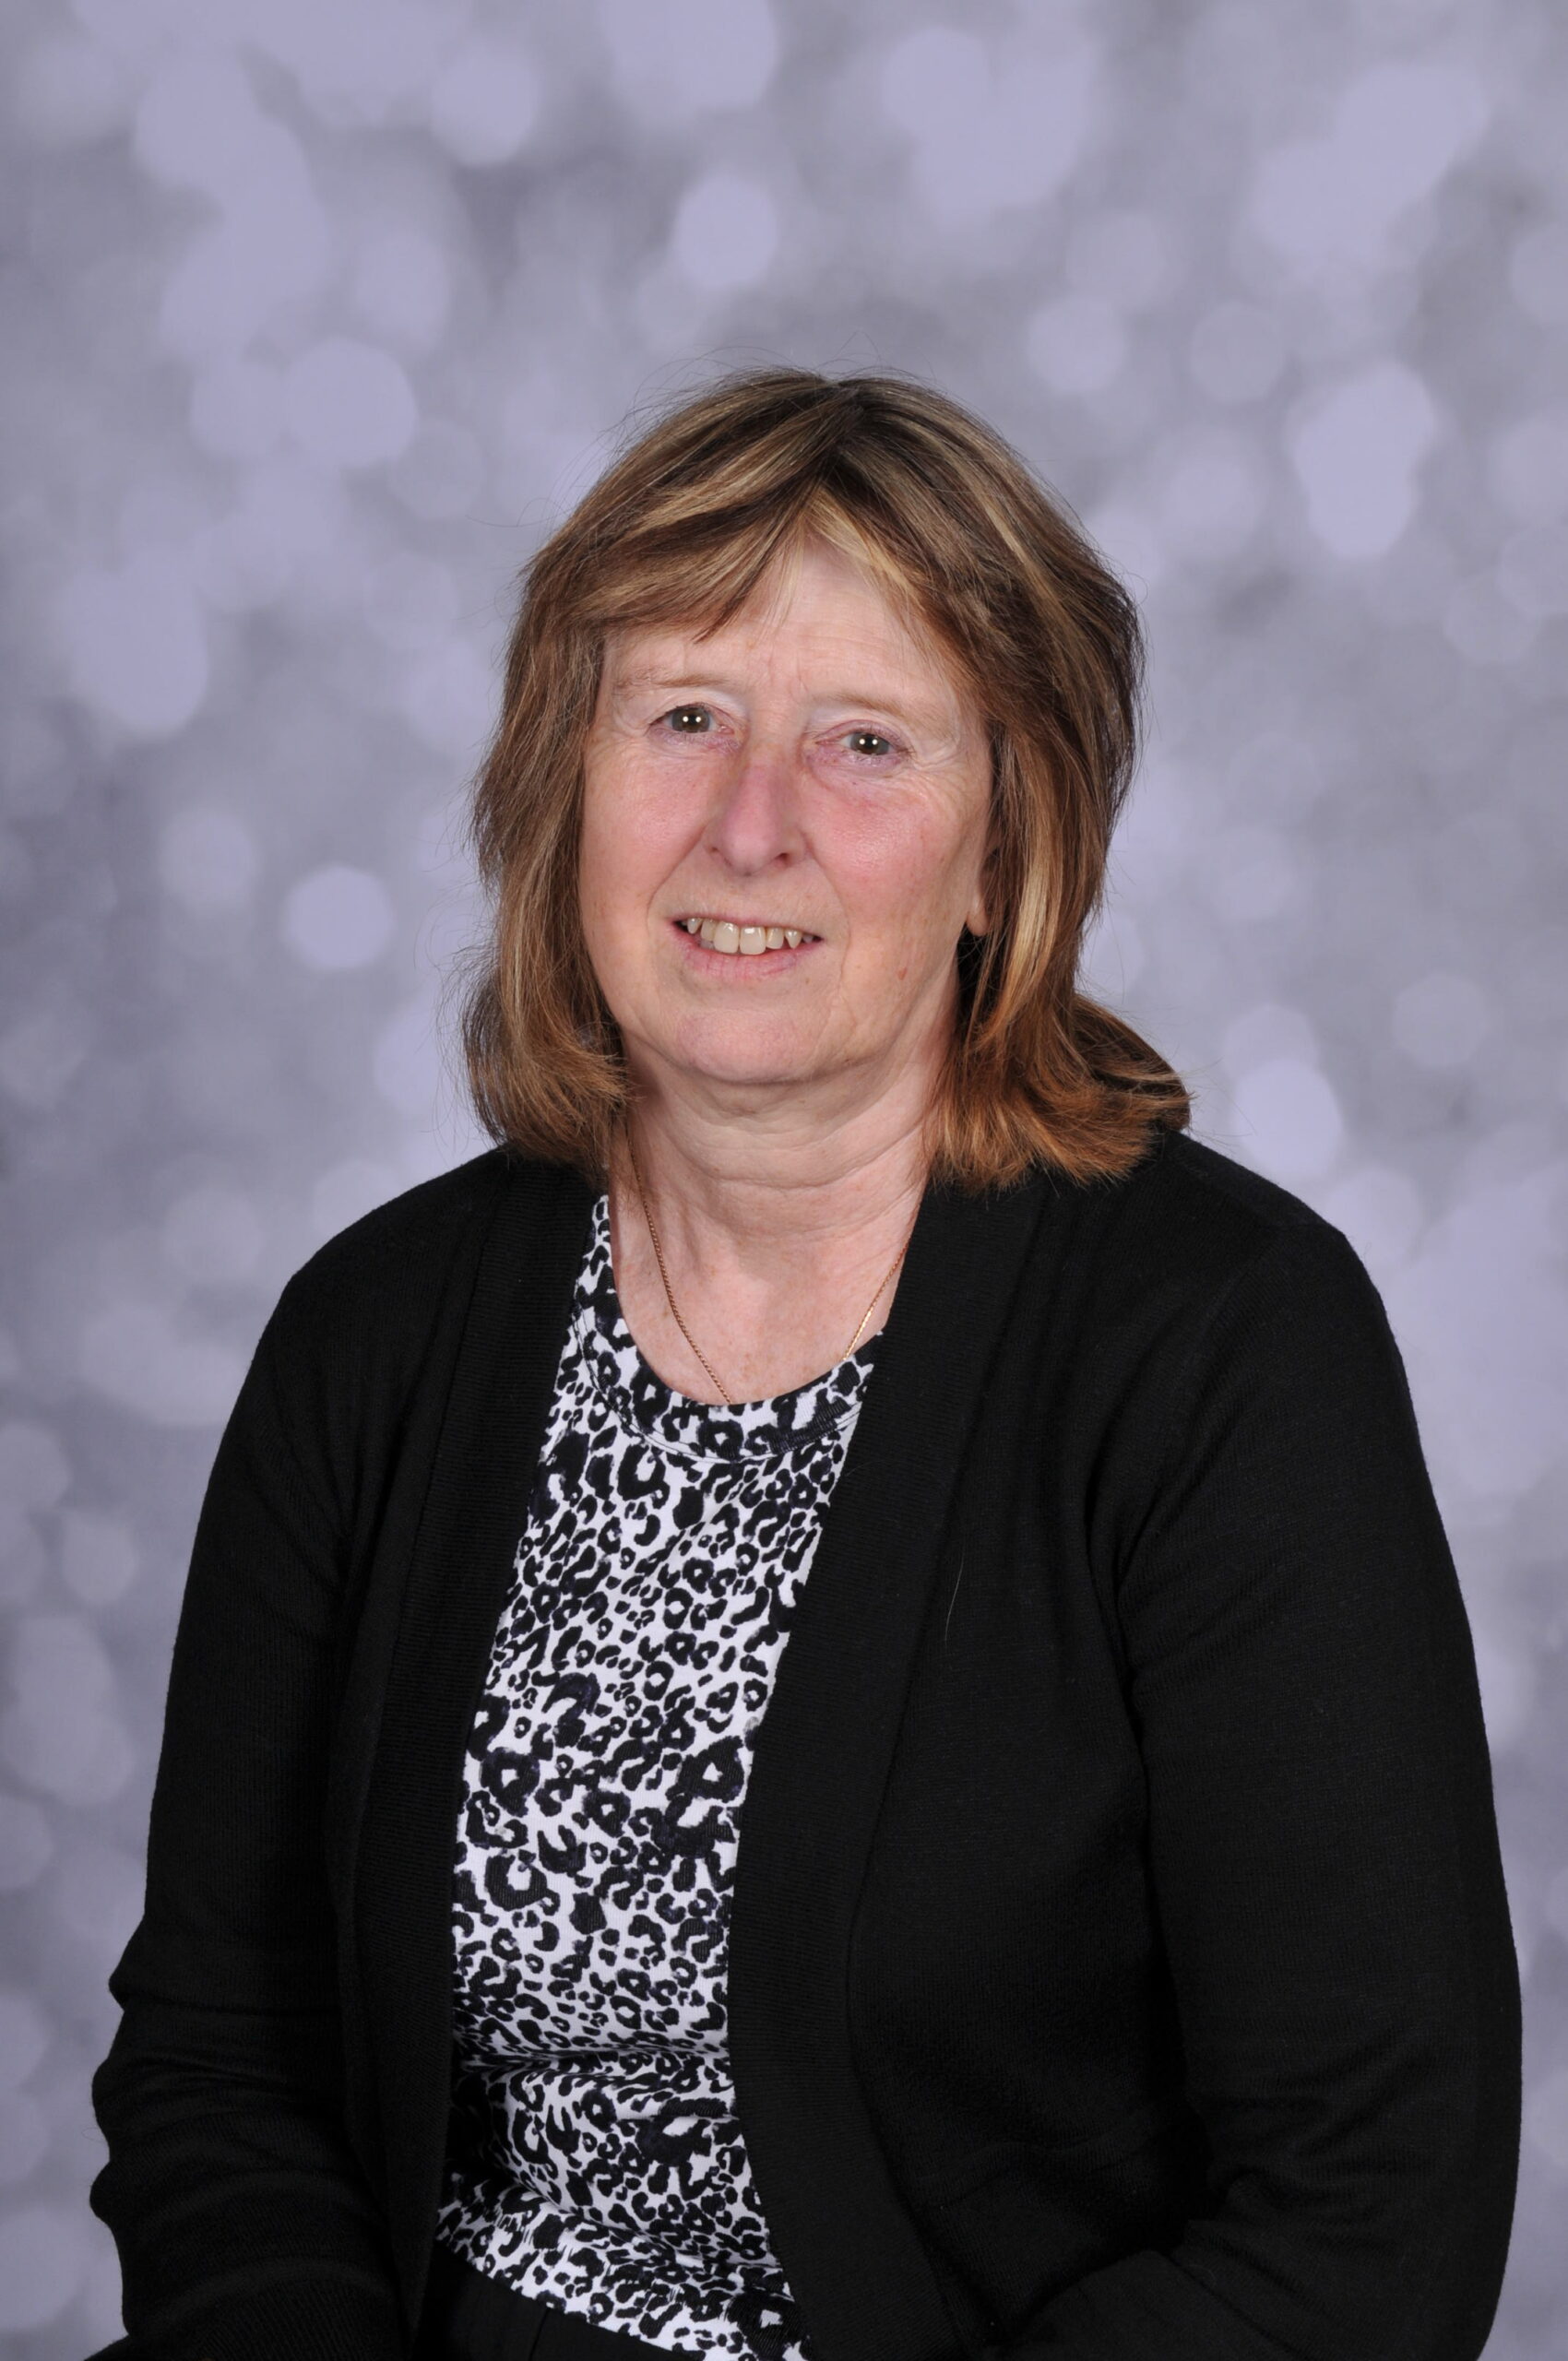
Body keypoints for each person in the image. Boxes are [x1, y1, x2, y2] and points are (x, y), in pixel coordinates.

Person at [88, 367, 1521, 2361]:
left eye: (863, 741)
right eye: (682, 716)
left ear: (1005, 849)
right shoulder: (377, 1331)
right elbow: (222, 2061)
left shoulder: (1224, 1345)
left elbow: (1369, 2203)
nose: (749, 826)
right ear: (563, 787)